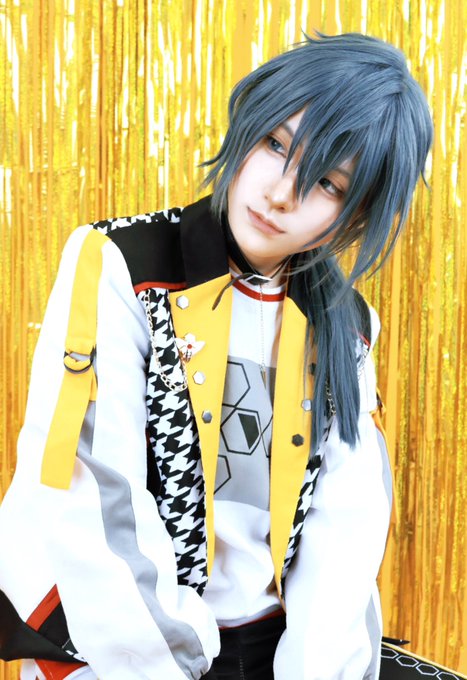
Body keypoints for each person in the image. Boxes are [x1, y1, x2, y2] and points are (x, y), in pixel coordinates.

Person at [0, 31, 432, 680]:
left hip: (268, 648)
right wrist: (171, 662)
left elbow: (344, 533)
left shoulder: (346, 325)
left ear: (355, 216)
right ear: (248, 122)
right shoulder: (121, 265)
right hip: (116, 641)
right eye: (276, 144)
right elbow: (90, 491)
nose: (281, 191)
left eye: (327, 183)